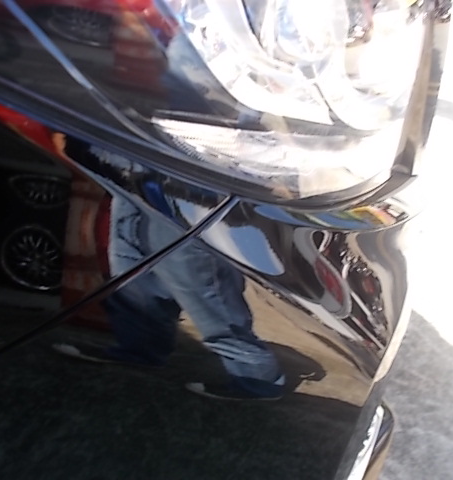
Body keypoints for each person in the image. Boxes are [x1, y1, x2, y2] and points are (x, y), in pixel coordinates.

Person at [53, 149, 284, 400]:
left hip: (188, 162)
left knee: (193, 273)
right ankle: (141, 347)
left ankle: (257, 377)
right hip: (132, 153)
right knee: (131, 256)